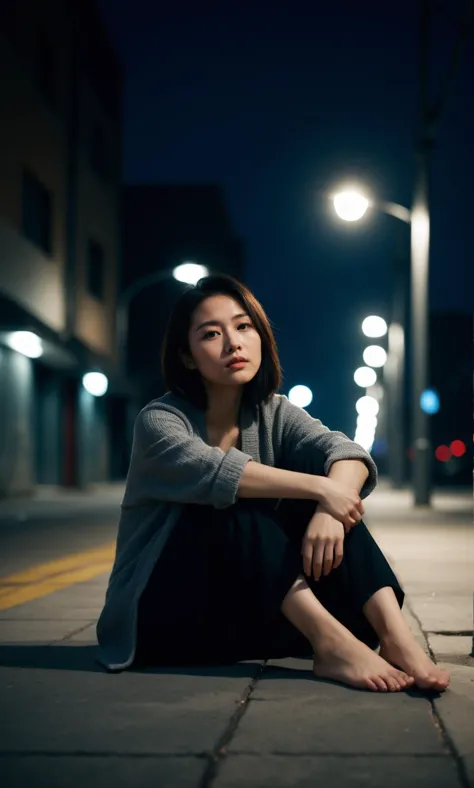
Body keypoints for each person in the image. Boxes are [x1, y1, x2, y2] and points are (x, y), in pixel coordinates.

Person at [96, 274, 449, 693]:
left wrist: (330, 509)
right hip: (160, 615)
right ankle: (331, 643)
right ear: (188, 357)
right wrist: (323, 490)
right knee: (233, 497)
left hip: (237, 617)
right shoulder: (159, 421)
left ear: (260, 335)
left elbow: (348, 453)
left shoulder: (274, 412)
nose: (233, 343)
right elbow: (222, 473)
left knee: (323, 480)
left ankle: (396, 638)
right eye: (211, 334)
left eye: (243, 326)